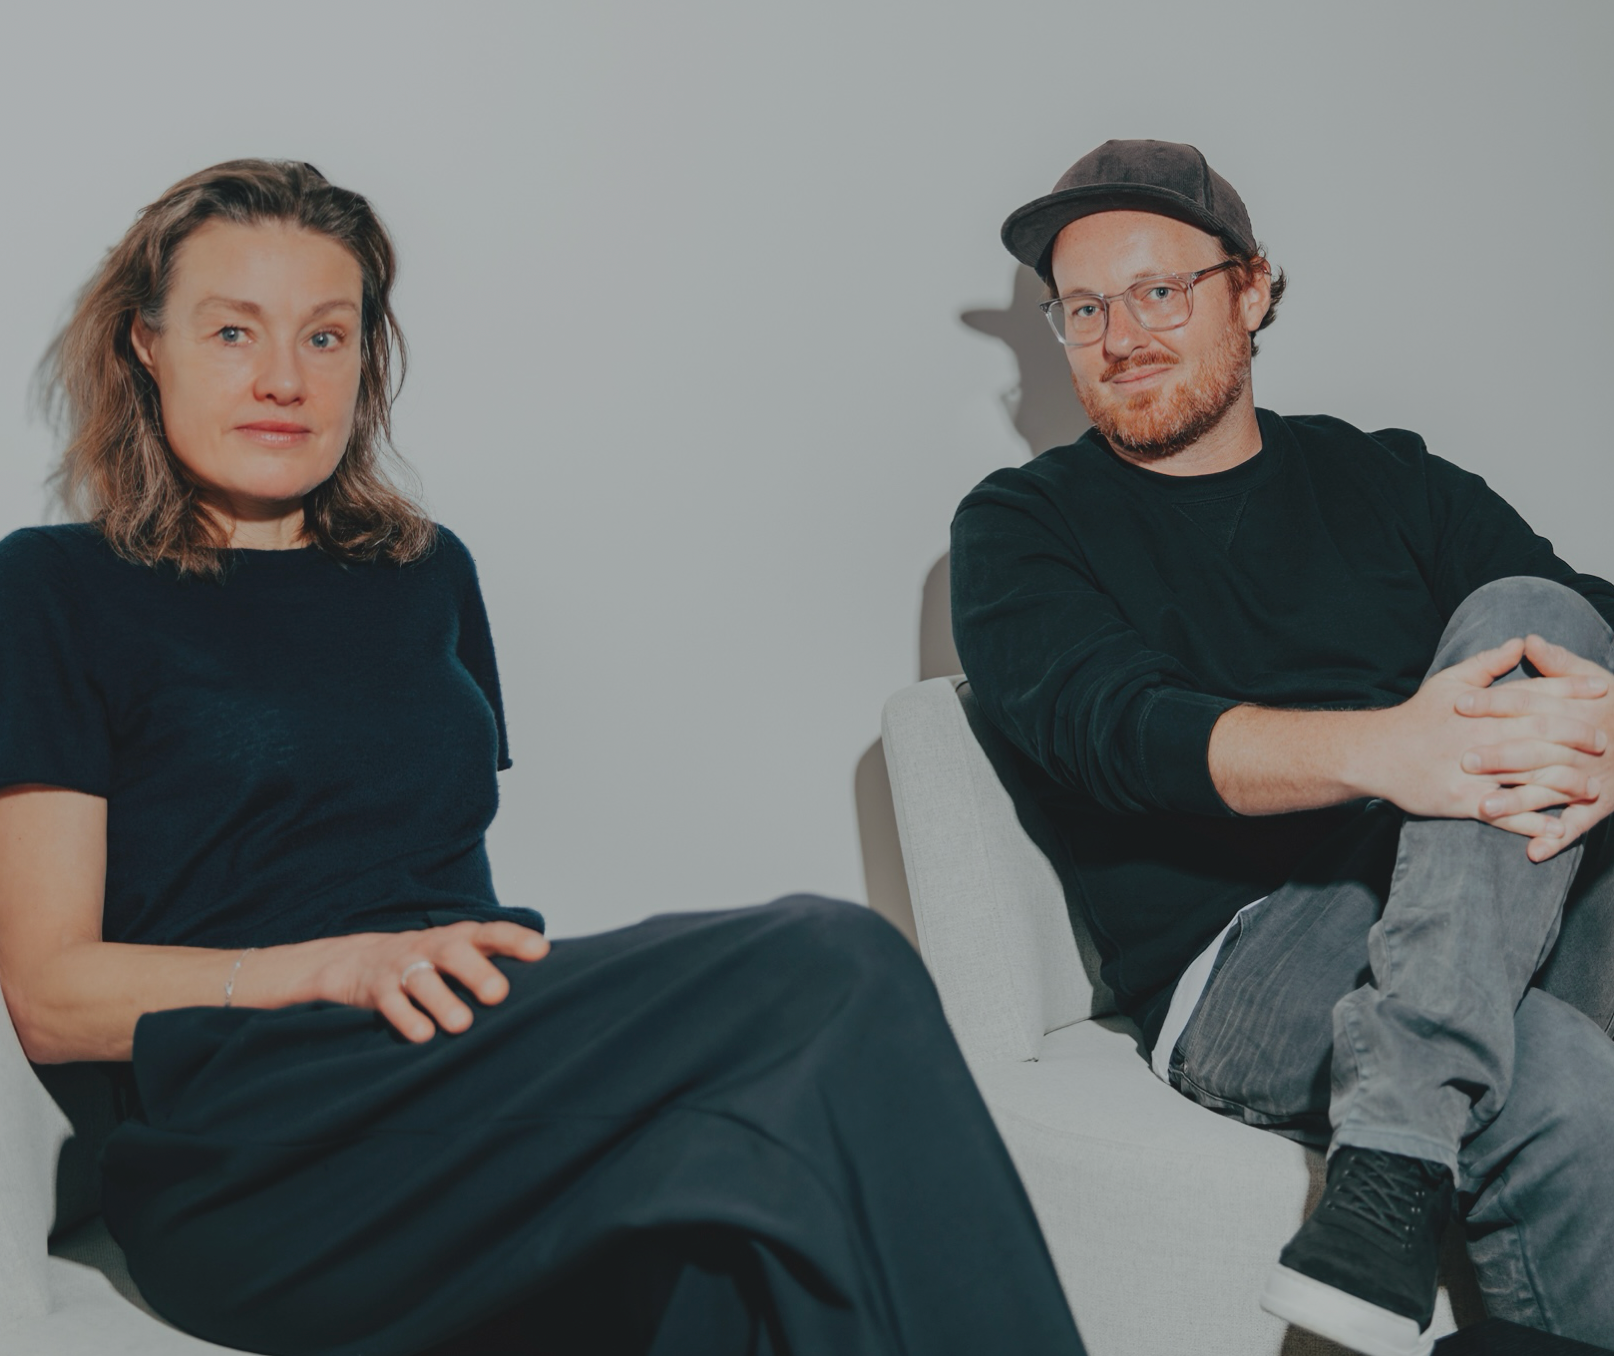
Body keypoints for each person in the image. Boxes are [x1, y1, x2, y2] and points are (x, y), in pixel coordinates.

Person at [0, 159, 1087, 1356]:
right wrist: (335, 969)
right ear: (147, 346)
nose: (282, 379)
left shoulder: (424, 575)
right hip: (254, 1148)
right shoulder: (56, 590)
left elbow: (428, 880)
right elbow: (52, 995)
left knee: (743, 1255)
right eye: (232, 332)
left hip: (457, 1082)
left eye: (326, 335)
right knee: (836, 963)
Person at [950, 138, 1614, 1356]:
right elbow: (1117, 732)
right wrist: (1390, 752)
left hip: (1493, 899)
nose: (1120, 335)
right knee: (1555, 1074)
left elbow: (1583, 618)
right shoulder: (1021, 527)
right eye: (1082, 308)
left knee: (1541, 619)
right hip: (1248, 951)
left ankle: (1393, 1157)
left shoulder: (1387, 478)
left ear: (1252, 290)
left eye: (1160, 291)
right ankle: (1400, 1157)